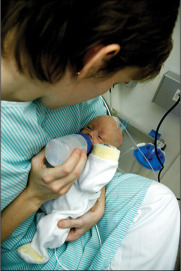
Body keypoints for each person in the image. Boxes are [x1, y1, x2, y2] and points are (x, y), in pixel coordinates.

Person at [1, 1, 180, 270]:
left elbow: (103, 148)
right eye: (115, 82)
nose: (104, 92)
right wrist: (34, 196)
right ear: (96, 60)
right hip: (21, 235)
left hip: (74, 202)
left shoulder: (72, 97)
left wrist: (97, 198)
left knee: (162, 201)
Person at [17, 115, 123, 264]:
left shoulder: (101, 166)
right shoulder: (77, 147)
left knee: (55, 227)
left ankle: (39, 250)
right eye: (89, 127)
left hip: (68, 210)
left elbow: (89, 184)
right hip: (49, 198)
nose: (90, 134)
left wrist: (103, 157)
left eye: (99, 137)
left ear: (108, 149)